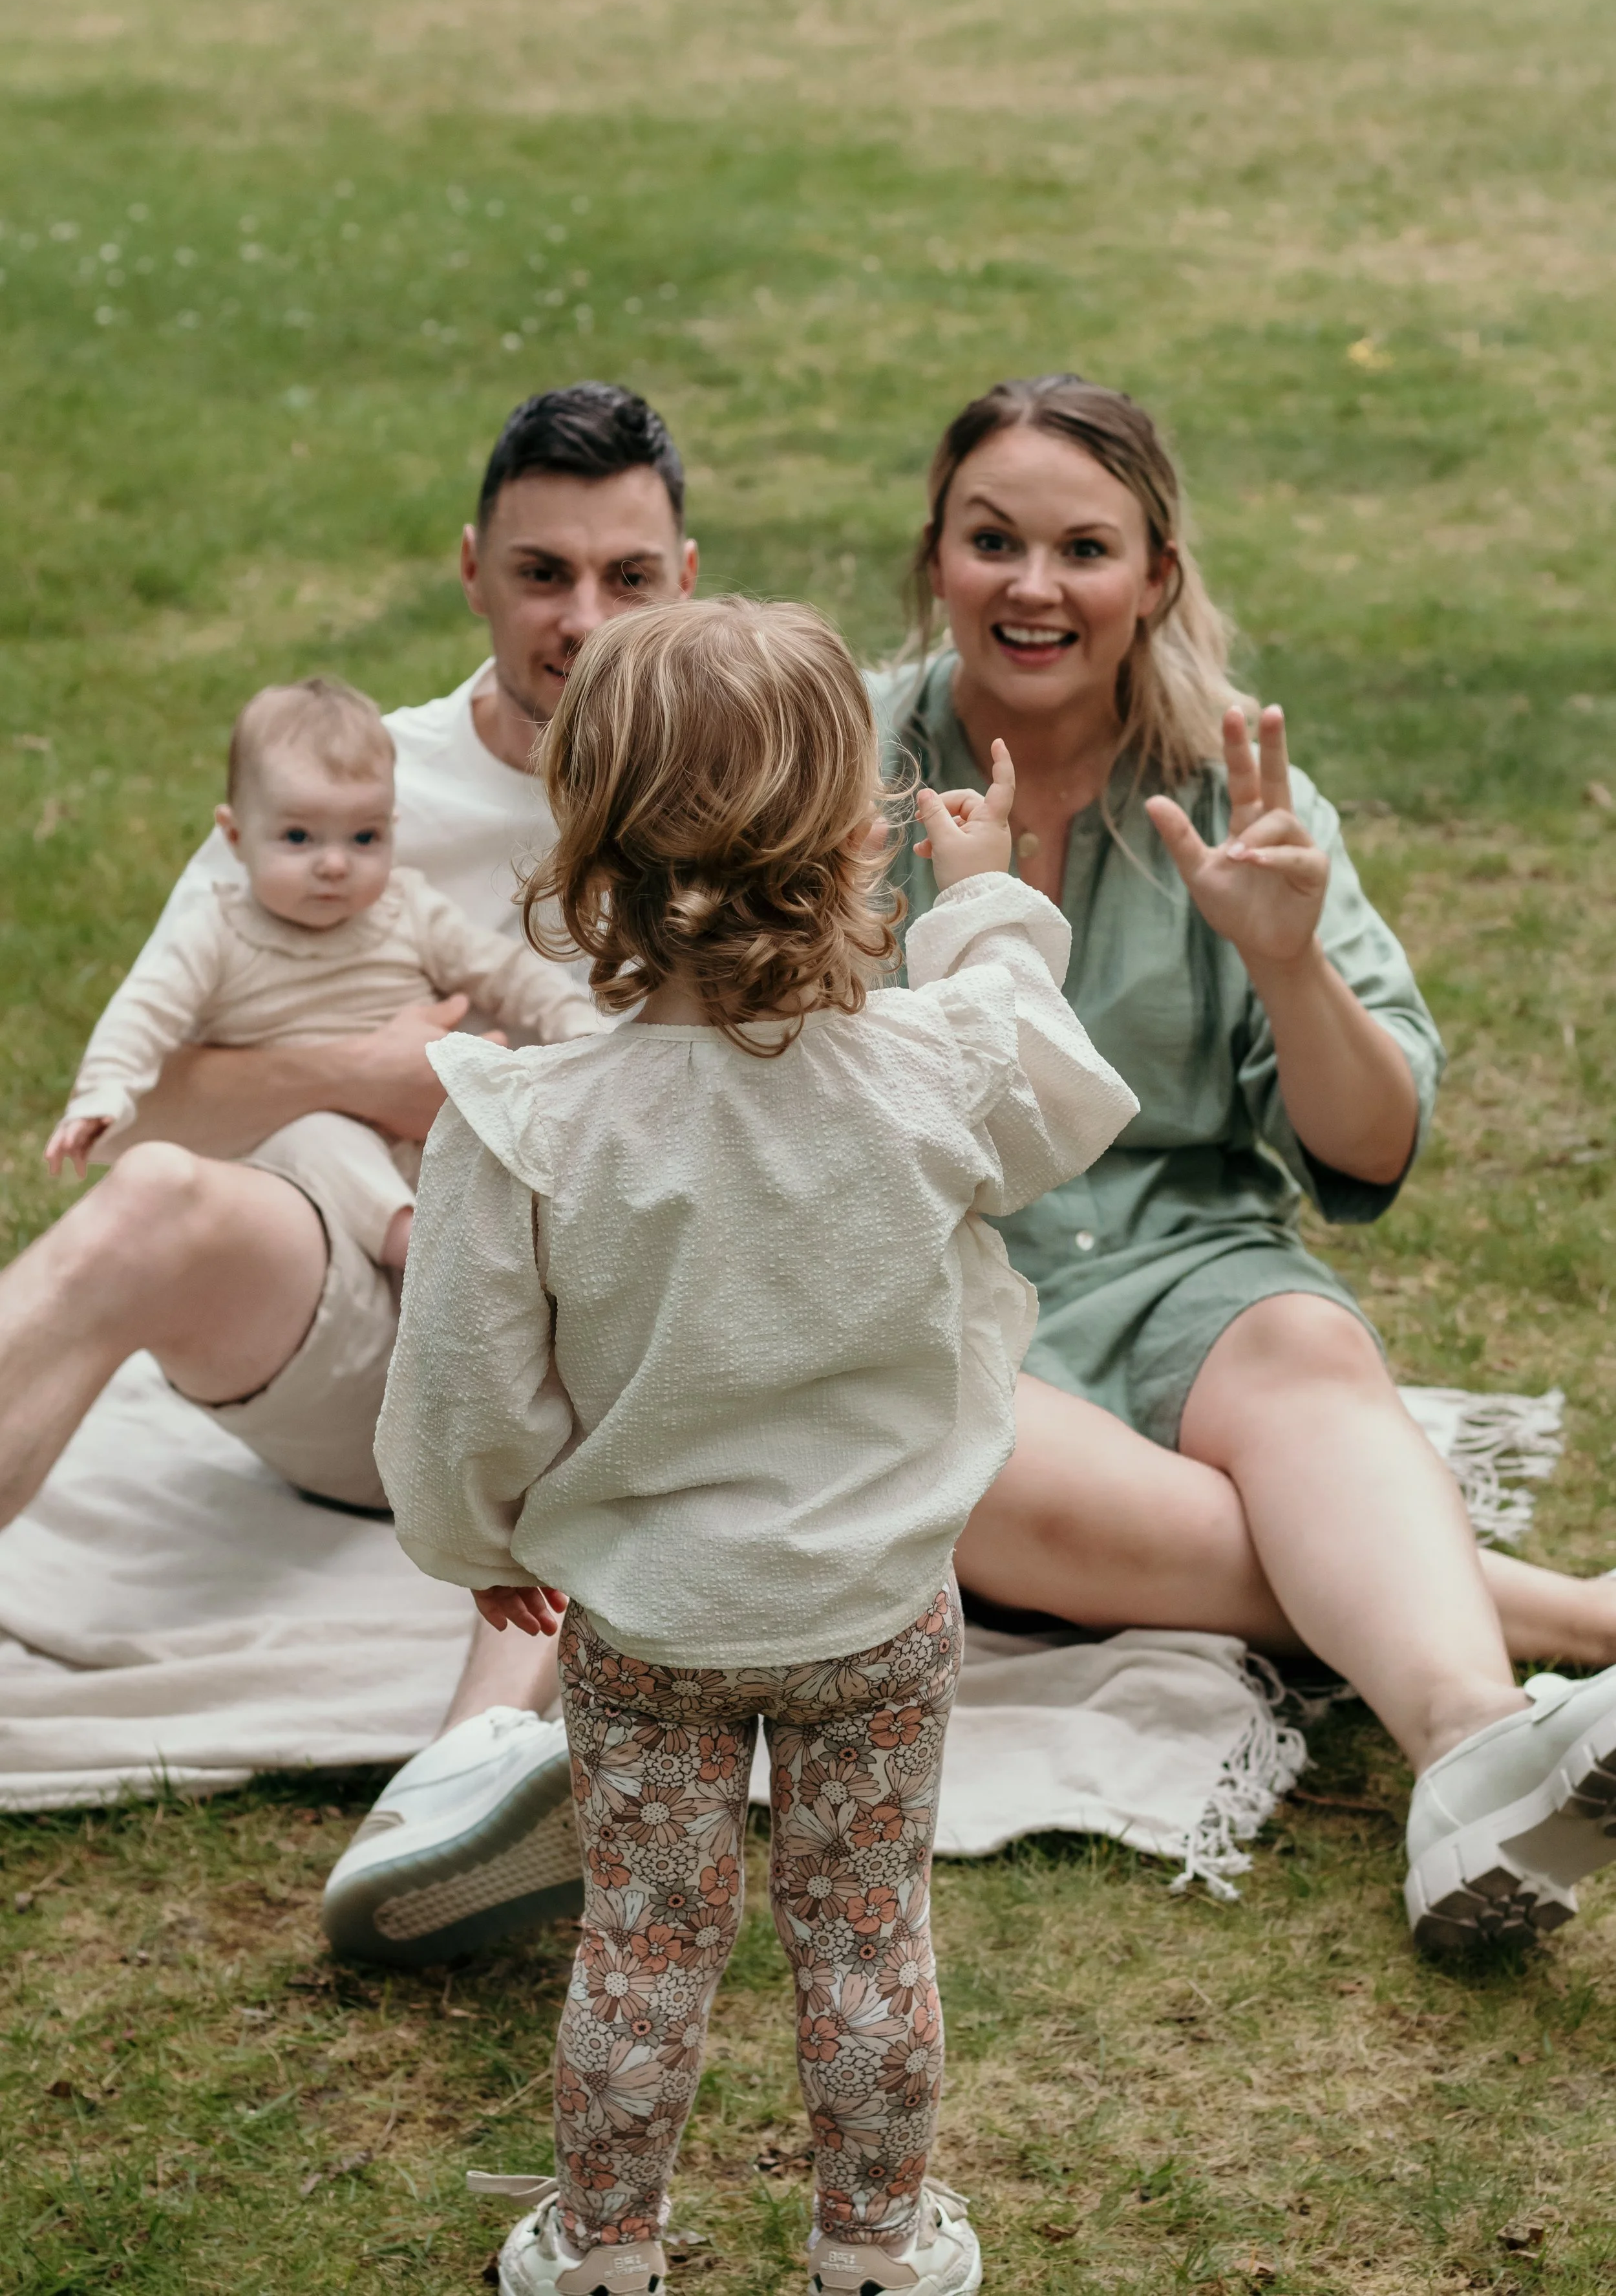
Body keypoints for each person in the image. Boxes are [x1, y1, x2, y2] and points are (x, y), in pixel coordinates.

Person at [375, 594, 1138, 2296]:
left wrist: (483, 1534)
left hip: (646, 1628)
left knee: (645, 1940)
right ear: (849, 831)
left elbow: (460, 1387)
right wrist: (987, 901)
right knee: (864, 1930)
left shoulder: (528, 1122)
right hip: (875, 1611)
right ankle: (871, 2241)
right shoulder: (933, 1066)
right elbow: (1057, 1083)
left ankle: (598, 2246)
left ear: (590, 837)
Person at [877, 372, 1616, 1953]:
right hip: (928, 1285)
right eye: (990, 538)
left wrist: (1288, 961)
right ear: (932, 554)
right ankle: (1572, 1620)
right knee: (954, 1454)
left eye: (1084, 547)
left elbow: (1372, 1142)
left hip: (1191, 1263)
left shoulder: (1242, 781)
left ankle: (1472, 1755)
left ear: (1154, 573)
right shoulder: (832, 762)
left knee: (1303, 1344)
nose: (1031, 585)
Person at [0, 381, 696, 1964]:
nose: (581, 618)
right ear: (470, 570)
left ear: (685, 577)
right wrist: (357, 1074)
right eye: (541, 572)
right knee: (153, 1202)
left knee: (649, 1323)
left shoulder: (728, 783)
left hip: (607, 1352)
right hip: (358, 1304)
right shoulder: (348, 785)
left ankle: (463, 1788)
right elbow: (156, 1089)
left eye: (626, 577)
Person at [47, 674, 601, 1302]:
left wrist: (576, 1028)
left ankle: (525, 1260)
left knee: (496, 1117)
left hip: (418, 1140)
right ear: (233, 838)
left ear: (392, 827)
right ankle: (419, 1250)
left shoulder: (407, 910)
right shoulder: (218, 932)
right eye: (298, 838)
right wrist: (102, 1094)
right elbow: (143, 1012)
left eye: (364, 838)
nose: (334, 863)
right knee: (318, 1139)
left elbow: (508, 972)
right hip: (298, 1163)